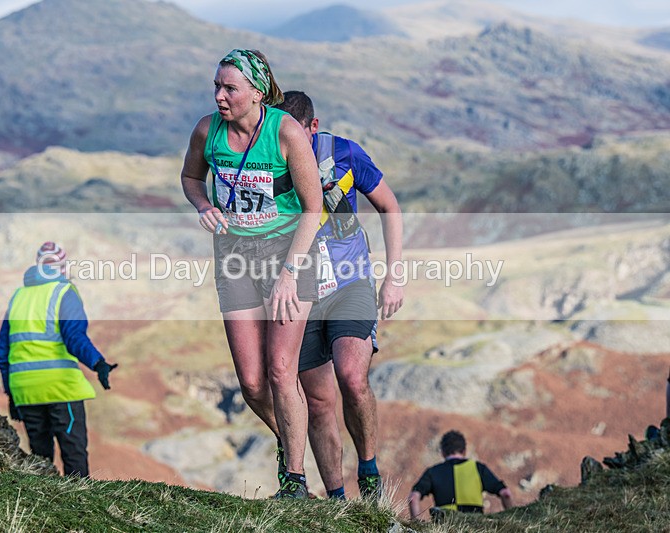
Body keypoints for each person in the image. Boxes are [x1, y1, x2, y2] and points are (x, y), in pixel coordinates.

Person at [180, 50, 322, 498]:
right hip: (235, 260)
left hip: (290, 259)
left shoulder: (286, 133)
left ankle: (295, 481)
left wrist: (288, 272)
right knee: (253, 383)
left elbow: (313, 206)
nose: (220, 97)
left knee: (282, 370)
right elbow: (189, 177)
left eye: (230, 89)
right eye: (216, 88)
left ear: (257, 92)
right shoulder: (207, 130)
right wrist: (204, 206)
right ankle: (291, 443)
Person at [275, 91, 404, 500]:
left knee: (351, 377)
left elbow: (389, 206)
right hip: (302, 291)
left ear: (313, 127)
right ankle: (336, 500)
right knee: (317, 400)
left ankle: (368, 467)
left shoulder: (343, 153)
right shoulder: (270, 161)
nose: (288, 142)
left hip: (350, 282)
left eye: (296, 133)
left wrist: (394, 275)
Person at [0, 241, 117, 478]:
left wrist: (11, 393)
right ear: (63, 267)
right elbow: (73, 337)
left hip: (25, 392)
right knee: (74, 455)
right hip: (60, 388)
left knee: (40, 461)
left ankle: (38, 511)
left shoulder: (18, 297)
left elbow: (2, 353)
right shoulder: (64, 292)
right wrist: (97, 363)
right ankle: (80, 510)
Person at [409, 430, 514, 520]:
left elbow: (413, 498)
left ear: (443, 452)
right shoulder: (478, 468)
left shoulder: (433, 471)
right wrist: (512, 520)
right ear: (464, 451)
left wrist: (416, 524)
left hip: (445, 526)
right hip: (474, 526)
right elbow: (506, 493)